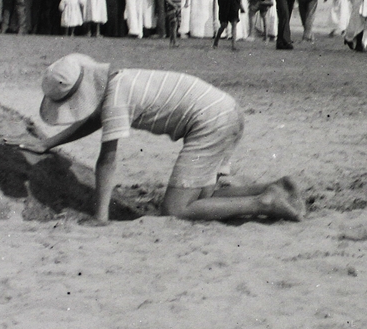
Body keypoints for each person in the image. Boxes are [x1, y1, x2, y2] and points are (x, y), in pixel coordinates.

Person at [19, 53, 305, 224]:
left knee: (176, 209)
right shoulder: (119, 80)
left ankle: (264, 203)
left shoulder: (115, 98)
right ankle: (276, 187)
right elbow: (93, 121)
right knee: (204, 197)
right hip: (226, 110)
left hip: (210, 122)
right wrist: (48, 143)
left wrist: (101, 217)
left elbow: (108, 158)